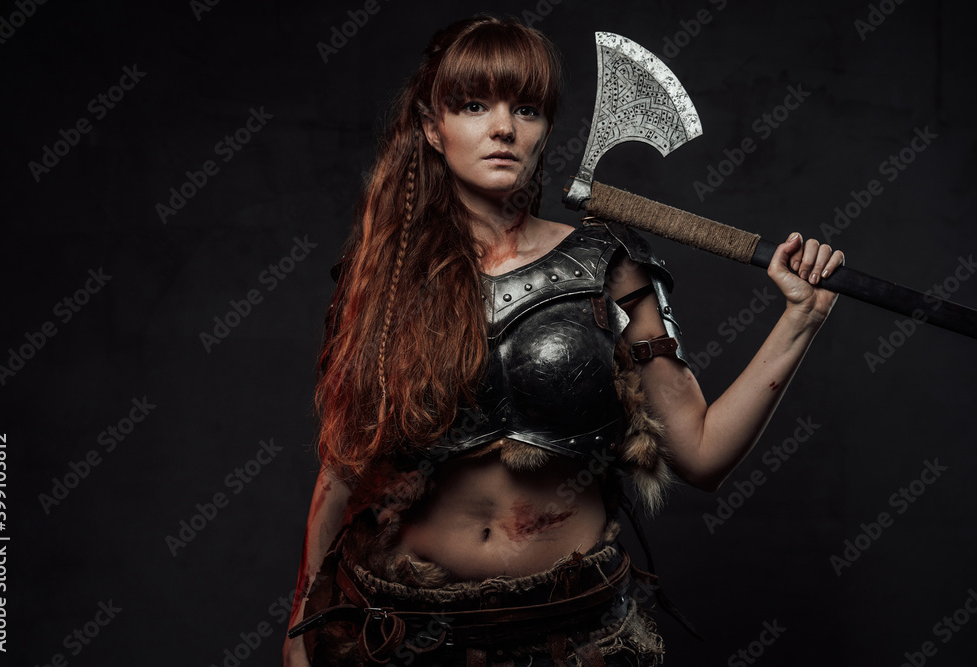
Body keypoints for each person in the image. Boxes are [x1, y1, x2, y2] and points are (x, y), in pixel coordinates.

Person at [283, 14, 844, 667]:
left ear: (544, 129)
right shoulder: (381, 277)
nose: (503, 128)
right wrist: (302, 618)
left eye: (526, 108)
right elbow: (341, 470)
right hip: (397, 635)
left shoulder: (612, 263)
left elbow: (700, 452)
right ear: (433, 129)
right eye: (472, 105)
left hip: (569, 636)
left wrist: (800, 318)